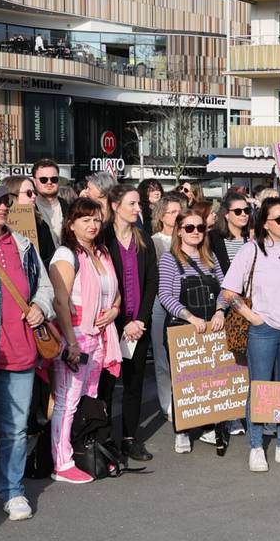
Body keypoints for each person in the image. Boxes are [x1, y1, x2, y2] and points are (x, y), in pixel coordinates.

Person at [0, 176, 54, 520]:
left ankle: (12, 490)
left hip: (21, 355)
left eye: (5, 201)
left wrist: (40, 304)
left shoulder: (23, 246)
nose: (2, 207)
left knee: (14, 430)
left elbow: (45, 288)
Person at [223, 198, 280, 473]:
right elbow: (229, 291)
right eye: (279, 219)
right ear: (265, 223)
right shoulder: (251, 250)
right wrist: (254, 318)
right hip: (263, 330)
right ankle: (255, 447)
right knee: (260, 388)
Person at [49, 197, 123, 484]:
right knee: (67, 402)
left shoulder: (101, 252)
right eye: (85, 219)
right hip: (76, 337)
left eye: (96, 219)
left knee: (86, 399)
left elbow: (114, 293)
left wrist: (114, 311)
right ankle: (61, 461)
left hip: (100, 337)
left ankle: (79, 451)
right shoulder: (67, 255)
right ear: (71, 223)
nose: (92, 224)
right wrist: (71, 343)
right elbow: (60, 301)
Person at [157, 208, 229, 454]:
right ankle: (182, 430)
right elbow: (165, 295)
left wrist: (220, 310)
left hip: (212, 326)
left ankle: (209, 426)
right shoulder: (169, 259)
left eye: (200, 227)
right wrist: (189, 316)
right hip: (182, 328)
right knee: (184, 382)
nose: (196, 232)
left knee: (210, 378)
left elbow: (225, 289)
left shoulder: (210, 257)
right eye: (189, 228)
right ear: (179, 231)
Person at [98, 185, 158, 462]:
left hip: (138, 326)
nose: (138, 208)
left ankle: (130, 438)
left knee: (134, 384)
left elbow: (151, 282)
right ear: (114, 205)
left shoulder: (143, 238)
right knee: (107, 386)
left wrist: (140, 321)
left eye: (138, 204)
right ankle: (105, 438)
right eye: (132, 203)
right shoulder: (102, 239)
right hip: (111, 325)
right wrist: (122, 323)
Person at [149, 193, 185, 421]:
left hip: (185, 301)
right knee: (162, 357)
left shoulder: (189, 236)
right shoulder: (153, 241)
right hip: (160, 302)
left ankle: (185, 400)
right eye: (171, 212)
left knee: (184, 357)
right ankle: (167, 403)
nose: (176, 215)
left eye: (178, 211)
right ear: (161, 215)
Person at [209, 192, 252, 275]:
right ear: (226, 214)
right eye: (238, 211)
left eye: (247, 210)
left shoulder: (253, 237)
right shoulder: (213, 238)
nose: (244, 214)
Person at [31, 158, 67, 252]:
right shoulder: (30, 207)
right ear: (34, 181)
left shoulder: (68, 207)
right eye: (43, 179)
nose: (49, 182)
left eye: (54, 179)